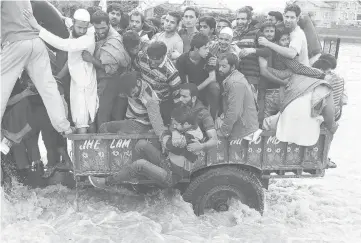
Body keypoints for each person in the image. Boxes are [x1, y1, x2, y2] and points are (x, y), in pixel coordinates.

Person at [1, 0, 73, 150]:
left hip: (16, 43)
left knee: (2, 87)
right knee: (48, 87)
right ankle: (63, 126)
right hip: (36, 43)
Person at [24, 9, 98, 134]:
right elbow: (65, 19)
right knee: (80, 118)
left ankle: (85, 152)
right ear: (74, 23)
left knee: (83, 121)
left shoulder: (87, 39)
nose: (81, 31)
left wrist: (36, 26)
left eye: (84, 28)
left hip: (84, 84)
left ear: (88, 26)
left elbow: (62, 44)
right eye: (79, 27)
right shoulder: (74, 27)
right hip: (76, 81)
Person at [81, 10, 131, 130]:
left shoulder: (114, 40)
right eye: (97, 28)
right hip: (97, 80)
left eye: (103, 28)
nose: (100, 31)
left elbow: (110, 69)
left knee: (102, 115)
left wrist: (91, 59)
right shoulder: (93, 33)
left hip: (110, 81)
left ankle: (102, 143)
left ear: (109, 24)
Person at [133, 41, 183, 125]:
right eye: (150, 59)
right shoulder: (141, 56)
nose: (152, 63)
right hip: (141, 97)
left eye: (156, 61)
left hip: (161, 103)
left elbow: (177, 96)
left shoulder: (172, 73)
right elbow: (136, 69)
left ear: (163, 56)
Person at [216, 53, 260, 141]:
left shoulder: (235, 83)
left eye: (224, 66)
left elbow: (234, 111)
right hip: (242, 127)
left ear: (232, 67)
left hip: (244, 131)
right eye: (219, 66)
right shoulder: (234, 78)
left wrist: (224, 131)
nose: (220, 69)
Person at [176, 33, 219, 119]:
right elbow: (183, 82)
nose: (208, 51)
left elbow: (212, 77)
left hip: (204, 87)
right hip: (190, 87)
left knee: (215, 87)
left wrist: (196, 89)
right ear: (196, 48)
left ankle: (214, 117)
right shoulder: (182, 59)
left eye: (208, 48)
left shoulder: (208, 56)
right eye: (205, 48)